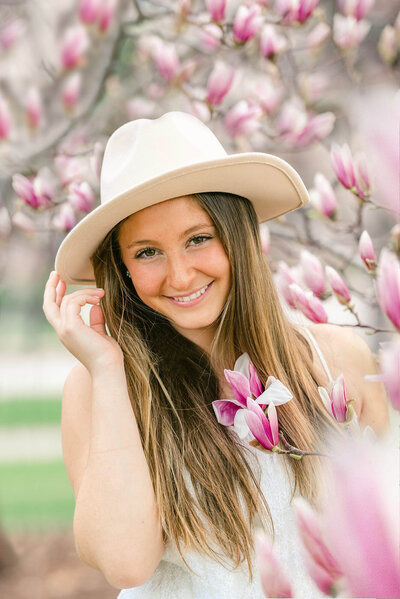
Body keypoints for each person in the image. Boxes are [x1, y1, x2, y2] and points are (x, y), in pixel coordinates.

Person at [42, 111, 389, 599]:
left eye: (198, 239)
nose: (180, 276)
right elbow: (125, 563)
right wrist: (105, 368)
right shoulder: (101, 389)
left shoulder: (334, 361)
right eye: (146, 252)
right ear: (120, 267)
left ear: (239, 236)